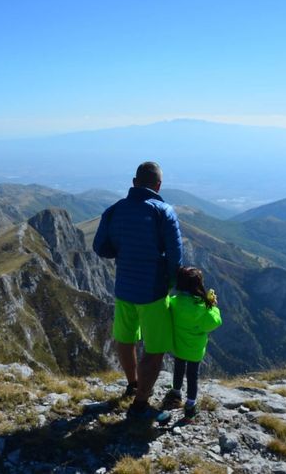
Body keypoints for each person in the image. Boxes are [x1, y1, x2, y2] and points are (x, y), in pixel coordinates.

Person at [93, 161, 183, 422]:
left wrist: (124, 254)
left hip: (123, 288)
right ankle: (140, 405)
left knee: (126, 338)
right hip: (153, 292)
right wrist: (169, 282)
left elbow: (100, 248)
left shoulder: (114, 211)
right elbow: (176, 258)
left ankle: (132, 384)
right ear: (158, 185)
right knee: (154, 349)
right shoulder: (164, 212)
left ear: (134, 182)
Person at [162, 266, 222, 423]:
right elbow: (215, 322)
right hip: (195, 350)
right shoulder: (203, 308)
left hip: (178, 346)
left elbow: (166, 304)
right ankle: (190, 407)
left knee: (178, 368)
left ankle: (175, 393)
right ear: (198, 285)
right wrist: (212, 305)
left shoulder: (174, 303)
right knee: (192, 376)